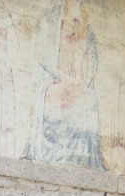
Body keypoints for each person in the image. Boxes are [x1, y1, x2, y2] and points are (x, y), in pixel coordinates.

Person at [24, 0, 106, 171]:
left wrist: (82, 81)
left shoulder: (86, 23)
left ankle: (83, 159)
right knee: (54, 98)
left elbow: (91, 57)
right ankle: (49, 157)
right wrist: (58, 73)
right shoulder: (53, 16)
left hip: (78, 80)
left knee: (89, 100)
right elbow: (41, 49)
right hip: (55, 77)